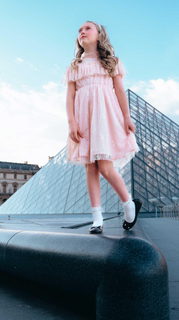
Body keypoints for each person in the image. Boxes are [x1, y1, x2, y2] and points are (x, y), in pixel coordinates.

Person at [64, 21, 142, 234]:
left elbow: (119, 91)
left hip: (105, 118)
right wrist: (72, 122)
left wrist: (127, 117)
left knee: (105, 167)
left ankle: (128, 204)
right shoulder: (74, 66)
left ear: (99, 35)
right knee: (91, 168)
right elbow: (70, 97)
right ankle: (97, 218)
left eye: (87, 28)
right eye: (79, 30)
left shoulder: (111, 62)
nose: (82, 31)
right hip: (84, 119)